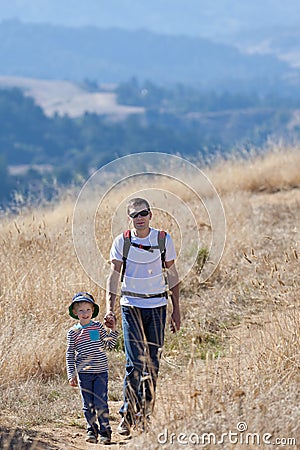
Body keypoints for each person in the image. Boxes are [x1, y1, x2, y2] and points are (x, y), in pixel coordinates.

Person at [105, 197, 180, 436]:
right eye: (135, 214)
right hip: (131, 307)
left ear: (150, 215)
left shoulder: (162, 239)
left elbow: (173, 274)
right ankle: (127, 416)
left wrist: (176, 310)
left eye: (144, 213)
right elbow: (114, 274)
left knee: (152, 364)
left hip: (157, 307)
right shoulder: (122, 241)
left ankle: (145, 415)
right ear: (130, 218)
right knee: (134, 363)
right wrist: (109, 308)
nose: (140, 218)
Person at [66, 292, 118, 445]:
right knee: (87, 404)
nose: (85, 313)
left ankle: (105, 432)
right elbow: (70, 355)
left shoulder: (97, 328)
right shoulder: (73, 332)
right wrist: (72, 374)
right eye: (81, 310)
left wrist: (113, 330)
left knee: (101, 402)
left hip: (101, 372)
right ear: (75, 312)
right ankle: (91, 429)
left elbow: (108, 345)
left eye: (88, 310)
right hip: (84, 374)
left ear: (93, 311)